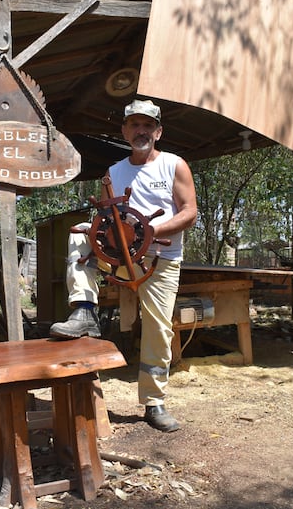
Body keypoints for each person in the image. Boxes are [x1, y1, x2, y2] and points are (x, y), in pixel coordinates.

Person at [49, 99, 198, 432]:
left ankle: (154, 402)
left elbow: (189, 211)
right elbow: (108, 216)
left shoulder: (174, 165)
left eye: (148, 125)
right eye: (134, 125)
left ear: (158, 132)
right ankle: (84, 310)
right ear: (124, 131)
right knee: (79, 235)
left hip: (161, 258)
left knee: (158, 329)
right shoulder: (114, 172)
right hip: (121, 257)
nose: (141, 131)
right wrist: (93, 229)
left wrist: (150, 231)